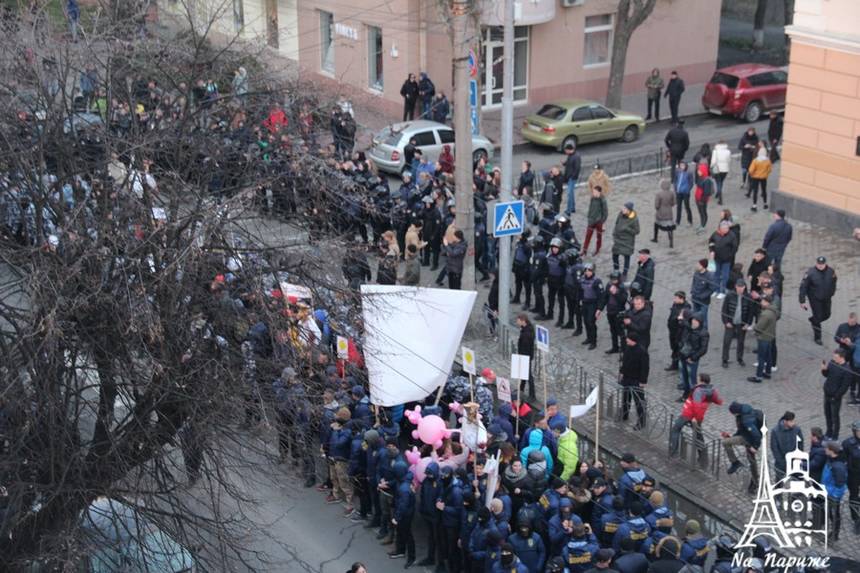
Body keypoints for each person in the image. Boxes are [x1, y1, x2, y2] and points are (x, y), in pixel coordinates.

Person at [669, 373, 722, 457]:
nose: (697, 380)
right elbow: (719, 401)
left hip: (688, 415)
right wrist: (709, 401)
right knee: (698, 435)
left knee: (675, 429)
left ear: (701, 381)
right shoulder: (712, 391)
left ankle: (673, 452)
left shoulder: (698, 391)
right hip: (699, 417)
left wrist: (695, 418)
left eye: (698, 378)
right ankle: (703, 456)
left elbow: (697, 406)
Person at [723, 401, 763, 494]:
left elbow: (756, 435)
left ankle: (736, 464)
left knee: (725, 443)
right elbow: (741, 430)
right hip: (746, 437)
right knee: (751, 461)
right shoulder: (743, 411)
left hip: (749, 441)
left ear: (735, 412)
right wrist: (733, 437)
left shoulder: (746, 420)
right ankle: (754, 482)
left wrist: (755, 447)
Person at [799, 256, 838, 345]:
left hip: (827, 297)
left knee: (827, 314)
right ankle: (817, 337)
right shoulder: (810, 273)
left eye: (822, 264)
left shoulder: (831, 271)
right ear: (816, 263)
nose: (820, 266)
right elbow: (803, 287)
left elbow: (834, 281)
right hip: (815, 299)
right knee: (818, 317)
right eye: (819, 264)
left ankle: (813, 320)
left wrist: (832, 292)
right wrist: (802, 301)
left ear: (825, 263)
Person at [721, 278, 754, 368]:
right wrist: (726, 322)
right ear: (735, 286)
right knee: (727, 341)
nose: (740, 289)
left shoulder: (748, 297)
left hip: (741, 324)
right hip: (730, 323)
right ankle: (725, 359)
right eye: (738, 287)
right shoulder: (729, 295)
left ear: (744, 287)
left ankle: (740, 358)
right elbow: (724, 310)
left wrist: (748, 324)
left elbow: (751, 312)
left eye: (742, 287)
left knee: (741, 342)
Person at [619, 333, 649, 430]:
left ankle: (641, 421)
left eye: (628, 339)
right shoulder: (628, 348)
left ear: (633, 340)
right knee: (626, 397)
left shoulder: (642, 351)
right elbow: (625, 361)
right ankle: (624, 414)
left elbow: (645, 367)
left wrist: (643, 381)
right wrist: (622, 372)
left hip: (636, 379)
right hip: (627, 378)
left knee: (639, 401)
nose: (626, 340)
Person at [389, 461, 416, 567]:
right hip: (405, 512)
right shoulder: (405, 480)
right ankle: (400, 550)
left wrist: (397, 517)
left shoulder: (404, 488)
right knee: (401, 532)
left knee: (407, 535)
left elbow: (403, 505)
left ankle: (411, 558)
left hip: (405, 515)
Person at [821, 349, 852, 440]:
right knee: (827, 414)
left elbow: (844, 387)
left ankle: (835, 435)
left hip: (835, 397)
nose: (833, 358)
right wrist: (824, 370)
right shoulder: (832, 363)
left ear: (842, 357)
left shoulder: (847, 370)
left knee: (835, 417)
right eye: (833, 357)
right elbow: (827, 375)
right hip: (827, 393)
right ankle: (829, 431)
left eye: (836, 357)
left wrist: (836, 397)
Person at [677, 312, 708, 400]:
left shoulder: (703, 333)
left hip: (691, 359)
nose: (693, 322)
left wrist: (693, 357)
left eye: (696, 321)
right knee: (685, 378)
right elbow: (683, 324)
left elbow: (703, 349)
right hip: (683, 355)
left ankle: (694, 397)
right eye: (693, 320)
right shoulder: (689, 327)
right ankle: (686, 394)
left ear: (700, 322)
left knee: (692, 380)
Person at [747, 295, 777, 384]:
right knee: (769, 356)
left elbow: (759, 327)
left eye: (763, 301)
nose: (761, 303)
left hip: (763, 338)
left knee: (761, 358)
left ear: (767, 302)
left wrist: (751, 328)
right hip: (770, 337)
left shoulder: (765, 314)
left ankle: (758, 377)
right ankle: (768, 373)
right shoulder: (774, 311)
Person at [823, 441, 849, 541]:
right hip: (828, 492)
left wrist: (834, 495)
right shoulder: (831, 459)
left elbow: (841, 484)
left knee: (834, 515)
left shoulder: (838, 466)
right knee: (831, 514)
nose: (825, 449)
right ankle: (832, 532)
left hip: (832, 496)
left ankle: (834, 535)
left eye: (826, 448)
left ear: (831, 451)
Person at [835, 313, 860, 404]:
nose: (851, 323)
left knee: (854, 372)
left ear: (856, 320)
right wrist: (840, 340)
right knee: (840, 368)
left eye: (853, 322)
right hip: (843, 352)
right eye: (849, 321)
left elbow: (857, 345)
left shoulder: (859, 329)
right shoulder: (842, 326)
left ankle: (852, 390)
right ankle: (839, 383)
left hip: (854, 354)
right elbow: (836, 337)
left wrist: (850, 343)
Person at [601, 270, 628, 354]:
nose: (613, 281)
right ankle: (615, 347)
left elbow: (623, 300)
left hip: (618, 313)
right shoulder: (609, 285)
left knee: (621, 332)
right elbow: (605, 297)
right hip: (610, 312)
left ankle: (624, 349)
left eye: (615, 279)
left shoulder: (622, 287)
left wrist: (616, 293)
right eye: (612, 279)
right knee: (613, 331)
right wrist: (600, 309)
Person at [709, 221, 739, 297]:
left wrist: (729, 256)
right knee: (716, 275)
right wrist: (712, 250)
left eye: (727, 228)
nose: (726, 229)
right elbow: (711, 242)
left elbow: (735, 247)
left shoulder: (732, 235)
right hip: (717, 259)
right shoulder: (715, 234)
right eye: (724, 228)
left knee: (725, 276)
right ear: (720, 228)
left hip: (726, 260)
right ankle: (716, 290)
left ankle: (722, 291)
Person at [771, 411, 804, 479]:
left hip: (794, 461)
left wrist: (798, 456)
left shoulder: (797, 429)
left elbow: (800, 443)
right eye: (791, 421)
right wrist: (782, 462)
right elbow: (774, 448)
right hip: (781, 464)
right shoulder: (775, 431)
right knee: (780, 482)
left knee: (796, 481)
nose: (793, 423)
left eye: (793, 421)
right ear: (785, 421)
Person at [611, 202, 640, 278]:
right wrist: (614, 232)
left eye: (624, 208)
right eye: (623, 207)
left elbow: (637, 231)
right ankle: (616, 272)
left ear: (629, 210)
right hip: (618, 239)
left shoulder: (634, 219)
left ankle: (624, 274)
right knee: (614, 256)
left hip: (627, 241)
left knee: (626, 258)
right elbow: (617, 223)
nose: (622, 209)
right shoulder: (620, 214)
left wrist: (627, 229)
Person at [580, 263, 604, 350]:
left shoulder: (597, 281)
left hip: (593, 304)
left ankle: (593, 341)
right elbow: (580, 290)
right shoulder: (582, 279)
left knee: (591, 322)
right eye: (586, 270)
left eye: (589, 270)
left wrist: (599, 309)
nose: (587, 272)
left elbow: (601, 296)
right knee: (586, 321)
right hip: (585, 303)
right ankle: (589, 338)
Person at [842, 421, 860, 536]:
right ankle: (856, 519)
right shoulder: (848, 443)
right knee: (853, 496)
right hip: (853, 474)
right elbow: (843, 459)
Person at [665, 291, 690, 371]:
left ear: (681, 299)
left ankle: (678, 365)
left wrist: (678, 319)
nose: (674, 299)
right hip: (672, 331)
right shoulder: (675, 304)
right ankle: (675, 364)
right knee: (673, 347)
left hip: (679, 333)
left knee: (678, 349)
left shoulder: (686, 308)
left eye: (676, 298)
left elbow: (685, 322)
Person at [582, 186, 609, 256]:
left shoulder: (603, 200)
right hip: (591, 220)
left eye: (595, 192)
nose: (593, 193)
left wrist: (601, 221)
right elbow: (590, 208)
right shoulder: (592, 198)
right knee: (587, 236)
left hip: (598, 222)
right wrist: (589, 217)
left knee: (599, 236)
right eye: (593, 192)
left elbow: (605, 212)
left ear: (599, 192)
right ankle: (584, 250)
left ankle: (597, 249)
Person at [689, 259, 716, 329]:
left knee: (703, 318)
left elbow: (712, 289)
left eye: (699, 265)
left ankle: (704, 332)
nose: (697, 266)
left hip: (704, 301)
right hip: (695, 299)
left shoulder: (709, 276)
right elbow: (693, 283)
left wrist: (703, 296)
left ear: (703, 266)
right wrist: (692, 291)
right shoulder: (696, 273)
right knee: (695, 316)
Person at [546, 238, 567, 326]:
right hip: (551, 280)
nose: (554, 249)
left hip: (560, 282)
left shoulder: (563, 258)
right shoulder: (549, 256)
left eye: (556, 248)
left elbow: (567, 271)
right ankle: (550, 314)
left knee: (561, 301)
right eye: (553, 247)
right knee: (550, 298)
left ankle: (561, 319)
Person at [651, 179, 676, 248]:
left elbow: (656, 205)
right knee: (669, 227)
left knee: (656, 224)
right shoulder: (672, 193)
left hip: (661, 212)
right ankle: (671, 241)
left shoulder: (659, 194)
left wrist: (658, 209)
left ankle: (655, 238)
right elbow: (674, 203)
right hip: (669, 212)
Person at [747, 146, 772, 212]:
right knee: (764, 190)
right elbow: (769, 170)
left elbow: (750, 170)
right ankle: (765, 204)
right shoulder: (768, 161)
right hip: (763, 177)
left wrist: (752, 175)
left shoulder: (755, 161)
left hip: (755, 177)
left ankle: (754, 205)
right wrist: (766, 174)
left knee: (755, 191)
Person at [517, 314, 536, 399]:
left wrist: (522, 356)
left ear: (523, 320)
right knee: (523, 374)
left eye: (518, 320)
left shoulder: (527, 333)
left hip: (526, 356)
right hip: (525, 355)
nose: (517, 322)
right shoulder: (526, 329)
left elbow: (525, 345)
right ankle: (521, 390)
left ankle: (532, 395)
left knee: (528, 375)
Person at [512, 233, 533, 308]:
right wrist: (514, 265)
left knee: (527, 286)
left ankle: (527, 302)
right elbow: (516, 254)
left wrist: (527, 268)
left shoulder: (527, 246)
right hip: (518, 266)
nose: (518, 236)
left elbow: (529, 258)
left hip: (524, 268)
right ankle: (517, 298)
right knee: (518, 283)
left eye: (520, 235)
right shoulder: (519, 243)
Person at [693, 157, 714, 232]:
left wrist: (702, 200)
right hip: (698, 198)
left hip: (702, 199)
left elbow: (706, 193)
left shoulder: (706, 180)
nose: (698, 172)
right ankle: (702, 225)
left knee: (703, 212)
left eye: (699, 170)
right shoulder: (700, 178)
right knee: (701, 212)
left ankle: (703, 226)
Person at [710, 139, 731, 204]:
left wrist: (711, 167)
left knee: (718, 182)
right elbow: (729, 160)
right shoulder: (728, 151)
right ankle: (718, 193)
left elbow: (713, 161)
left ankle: (720, 197)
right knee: (721, 181)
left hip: (717, 168)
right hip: (725, 169)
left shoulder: (715, 151)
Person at [563, 144, 582, 215]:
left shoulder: (576, 157)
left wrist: (572, 177)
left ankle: (568, 210)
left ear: (569, 150)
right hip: (569, 177)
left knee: (569, 194)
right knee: (571, 193)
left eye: (566, 150)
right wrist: (564, 163)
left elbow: (577, 168)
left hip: (572, 178)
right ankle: (573, 208)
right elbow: (569, 163)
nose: (565, 152)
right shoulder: (570, 155)